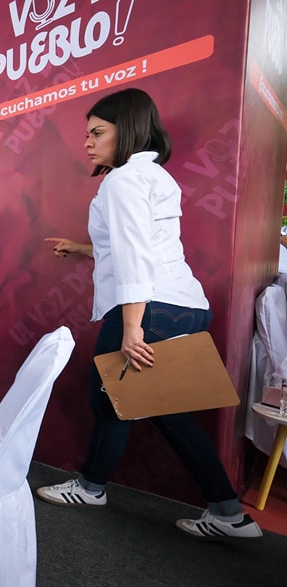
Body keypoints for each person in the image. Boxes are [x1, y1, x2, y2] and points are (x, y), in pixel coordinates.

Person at [36, 88, 262, 540]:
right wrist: (82, 248)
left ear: (129, 130)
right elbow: (140, 246)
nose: (87, 142)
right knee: (165, 410)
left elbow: (136, 257)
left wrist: (133, 327)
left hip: (149, 309)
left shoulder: (121, 181)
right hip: (184, 306)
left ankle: (92, 488)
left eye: (98, 132)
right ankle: (228, 513)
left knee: (111, 403)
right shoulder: (154, 176)